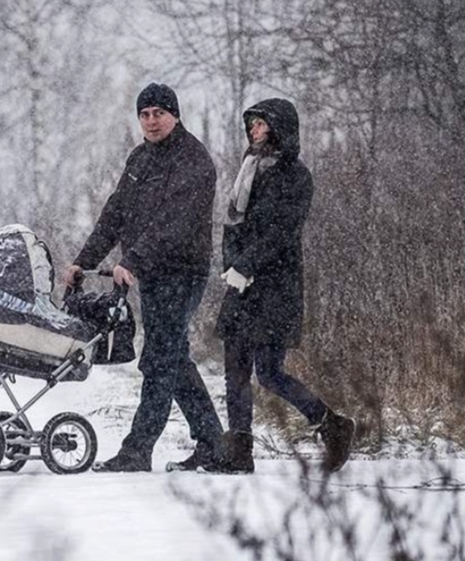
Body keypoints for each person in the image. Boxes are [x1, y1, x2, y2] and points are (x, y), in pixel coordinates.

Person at [64, 83, 224, 472]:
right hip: (151, 273)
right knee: (172, 356)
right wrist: (83, 262)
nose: (151, 121)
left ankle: (137, 449)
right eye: (145, 114)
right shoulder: (140, 158)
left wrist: (132, 260)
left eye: (159, 114)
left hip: (182, 272)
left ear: (175, 116)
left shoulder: (193, 161)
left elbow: (173, 223)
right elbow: (115, 214)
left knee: (159, 358)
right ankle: (215, 445)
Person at [215, 98, 356, 473]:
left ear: (280, 128)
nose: (254, 130)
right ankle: (239, 450)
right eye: (252, 125)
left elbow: (281, 232)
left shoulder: (296, 176)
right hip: (242, 284)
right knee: (235, 368)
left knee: (269, 372)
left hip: (276, 286)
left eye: (261, 124)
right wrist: (231, 265)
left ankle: (333, 425)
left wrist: (246, 265)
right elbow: (232, 225)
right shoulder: (248, 169)